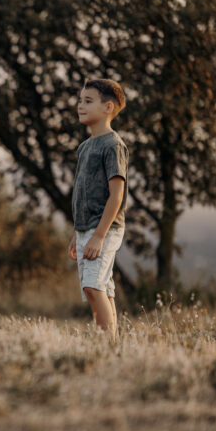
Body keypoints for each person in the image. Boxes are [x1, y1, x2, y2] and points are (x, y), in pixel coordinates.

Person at [68, 78, 128, 338]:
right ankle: (113, 345)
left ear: (108, 107)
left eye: (88, 101)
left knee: (92, 288)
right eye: (80, 100)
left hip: (105, 229)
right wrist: (78, 232)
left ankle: (106, 345)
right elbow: (83, 194)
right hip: (86, 229)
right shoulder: (84, 148)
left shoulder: (113, 145)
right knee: (102, 287)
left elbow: (116, 196)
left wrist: (99, 235)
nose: (80, 105)